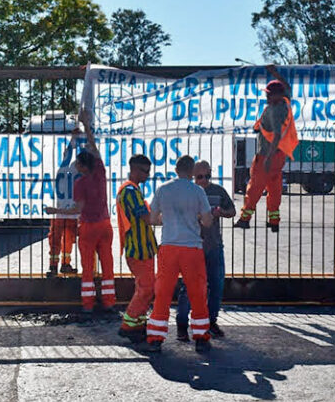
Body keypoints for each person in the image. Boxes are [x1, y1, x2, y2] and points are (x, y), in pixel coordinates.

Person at [45, 109, 115, 314]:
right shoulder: (101, 173)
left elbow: (77, 208)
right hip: (105, 225)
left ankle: (88, 304)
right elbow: (94, 148)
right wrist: (86, 126)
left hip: (89, 227)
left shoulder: (80, 183)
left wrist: (54, 210)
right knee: (107, 265)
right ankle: (109, 301)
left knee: (87, 269)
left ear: (83, 166)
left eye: (78, 162)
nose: (75, 164)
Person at [144, 155, 214, 353]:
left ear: (175, 170)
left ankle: (155, 338)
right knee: (197, 293)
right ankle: (201, 337)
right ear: (192, 172)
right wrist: (198, 218)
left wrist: (167, 220)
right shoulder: (198, 191)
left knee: (163, 293)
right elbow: (208, 222)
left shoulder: (163, 189)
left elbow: (152, 218)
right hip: (192, 248)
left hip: (168, 247)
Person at [234, 64, 299, 233]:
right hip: (280, 156)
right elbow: (288, 87)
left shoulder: (274, 111)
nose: (267, 97)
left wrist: (268, 158)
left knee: (255, 188)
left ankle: (245, 219)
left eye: (269, 94)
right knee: (274, 188)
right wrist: (274, 72)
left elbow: (276, 135)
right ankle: (274, 221)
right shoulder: (286, 104)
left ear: (276, 95)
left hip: (266, 156)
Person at [176, 160, 235, 341]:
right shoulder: (188, 192)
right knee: (188, 287)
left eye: (207, 176)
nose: (203, 180)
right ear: (193, 176)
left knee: (216, 285)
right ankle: (182, 324)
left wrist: (220, 213)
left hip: (213, 245)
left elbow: (232, 211)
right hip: (193, 245)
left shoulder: (218, 191)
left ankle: (211, 321)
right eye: (200, 177)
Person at [116, 154, 158, 343]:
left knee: (144, 287)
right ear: (134, 169)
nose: (147, 176)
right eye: (144, 171)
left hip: (140, 248)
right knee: (146, 288)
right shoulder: (130, 191)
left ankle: (138, 323)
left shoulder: (132, 190)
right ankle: (128, 324)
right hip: (138, 249)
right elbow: (147, 218)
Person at [46, 129, 81, 277]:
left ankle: (56, 265)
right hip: (68, 211)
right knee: (65, 237)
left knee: (58, 237)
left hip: (60, 210)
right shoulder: (78, 172)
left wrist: (74, 140)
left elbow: (68, 154)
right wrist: (76, 140)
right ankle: (62, 264)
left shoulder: (62, 169)